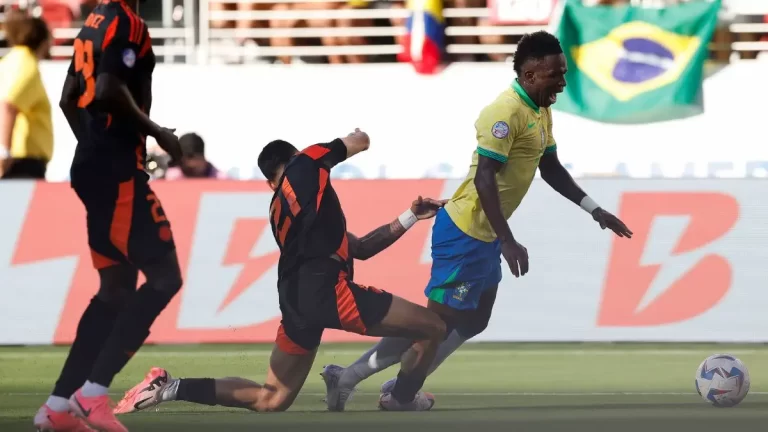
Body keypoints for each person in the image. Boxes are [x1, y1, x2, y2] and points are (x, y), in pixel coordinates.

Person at [321, 31, 634, 411]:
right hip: (466, 231)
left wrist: (594, 209)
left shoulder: (539, 109)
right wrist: (507, 239)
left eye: (563, 73)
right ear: (531, 74)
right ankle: (365, 383)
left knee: (476, 320)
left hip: (485, 236)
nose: (563, 83)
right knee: (430, 324)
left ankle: (406, 379)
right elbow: (486, 177)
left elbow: (548, 166)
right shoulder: (503, 113)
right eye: (556, 75)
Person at [112, 131, 449, 415]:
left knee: (271, 398)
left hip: (294, 297)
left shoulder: (279, 209)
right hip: (327, 291)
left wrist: (409, 216)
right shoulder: (307, 161)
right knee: (433, 326)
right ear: (294, 155)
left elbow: (359, 248)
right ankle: (401, 398)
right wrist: (359, 134)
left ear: (268, 180)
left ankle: (169, 388)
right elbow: (359, 140)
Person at [33, 0, 183, 430]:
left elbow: (67, 99)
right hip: (115, 171)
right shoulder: (126, 22)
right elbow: (106, 88)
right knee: (164, 277)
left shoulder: (92, 24)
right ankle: (94, 394)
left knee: (116, 289)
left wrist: (93, 146)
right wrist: (154, 134)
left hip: (94, 166)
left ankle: (59, 406)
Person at [0, 12, 53, 179]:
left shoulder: (10, 61)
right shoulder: (26, 65)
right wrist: (4, 152)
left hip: (19, 160)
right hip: (21, 163)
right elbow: (8, 105)